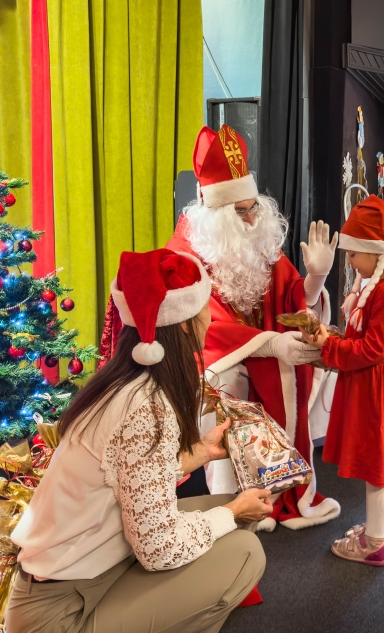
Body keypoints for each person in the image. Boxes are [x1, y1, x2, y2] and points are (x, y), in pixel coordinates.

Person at [8, 249, 271, 633]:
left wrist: (201, 453)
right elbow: (160, 549)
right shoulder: (146, 407)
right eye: (205, 307)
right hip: (62, 613)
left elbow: (126, 474)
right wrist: (232, 513)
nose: (211, 317)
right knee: (245, 551)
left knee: (224, 516)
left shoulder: (124, 382)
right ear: (184, 324)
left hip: (86, 576)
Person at [100, 123, 341, 531]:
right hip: (203, 365)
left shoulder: (257, 241)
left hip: (258, 353)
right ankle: (230, 504)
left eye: (253, 207)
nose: (251, 219)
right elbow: (201, 331)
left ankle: (279, 488)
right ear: (213, 213)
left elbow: (289, 295)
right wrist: (271, 344)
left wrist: (316, 279)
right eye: (240, 212)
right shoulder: (185, 256)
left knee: (294, 369)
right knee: (228, 385)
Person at [301, 195, 384, 566]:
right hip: (374, 387)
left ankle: (373, 544)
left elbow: (372, 350)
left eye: (353, 254)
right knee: (382, 462)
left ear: (375, 252)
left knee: (377, 467)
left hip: (377, 392)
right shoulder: (377, 288)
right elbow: (367, 341)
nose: (349, 261)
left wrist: (330, 345)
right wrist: (332, 338)